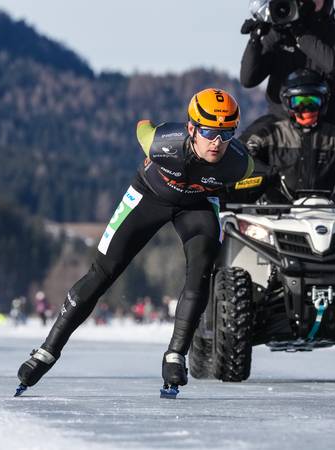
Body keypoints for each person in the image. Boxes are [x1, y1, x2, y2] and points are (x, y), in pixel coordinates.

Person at [16, 88, 254, 396]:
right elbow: (142, 125)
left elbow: (257, 178)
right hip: (149, 196)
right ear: (192, 128)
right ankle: (48, 350)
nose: (217, 142)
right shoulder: (162, 143)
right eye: (209, 132)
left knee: (201, 271)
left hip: (198, 204)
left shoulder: (239, 162)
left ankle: (175, 355)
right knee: (103, 272)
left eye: (227, 133)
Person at [239, 68, 335, 203]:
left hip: (333, 216)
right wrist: (256, 166)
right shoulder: (270, 135)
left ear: (323, 102)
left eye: (313, 101)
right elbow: (244, 156)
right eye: (299, 101)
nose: (306, 107)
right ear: (287, 103)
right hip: (274, 217)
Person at [241, 0, 335, 132]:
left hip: (328, 131)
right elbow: (248, 80)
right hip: (282, 131)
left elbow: (333, 65)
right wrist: (255, 40)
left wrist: (300, 33)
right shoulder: (278, 33)